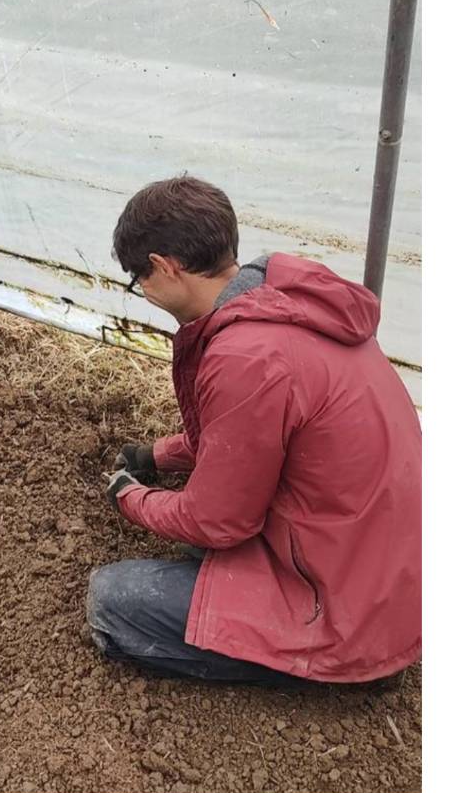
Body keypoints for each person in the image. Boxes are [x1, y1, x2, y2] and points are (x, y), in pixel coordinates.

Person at [90, 174, 420, 683]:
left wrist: (130, 497)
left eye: (140, 281)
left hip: (346, 607)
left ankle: (343, 668)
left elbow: (219, 522)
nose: (145, 292)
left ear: (163, 267)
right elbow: (251, 435)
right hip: (386, 565)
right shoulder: (283, 301)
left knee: (114, 601)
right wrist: (158, 455)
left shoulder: (246, 355)